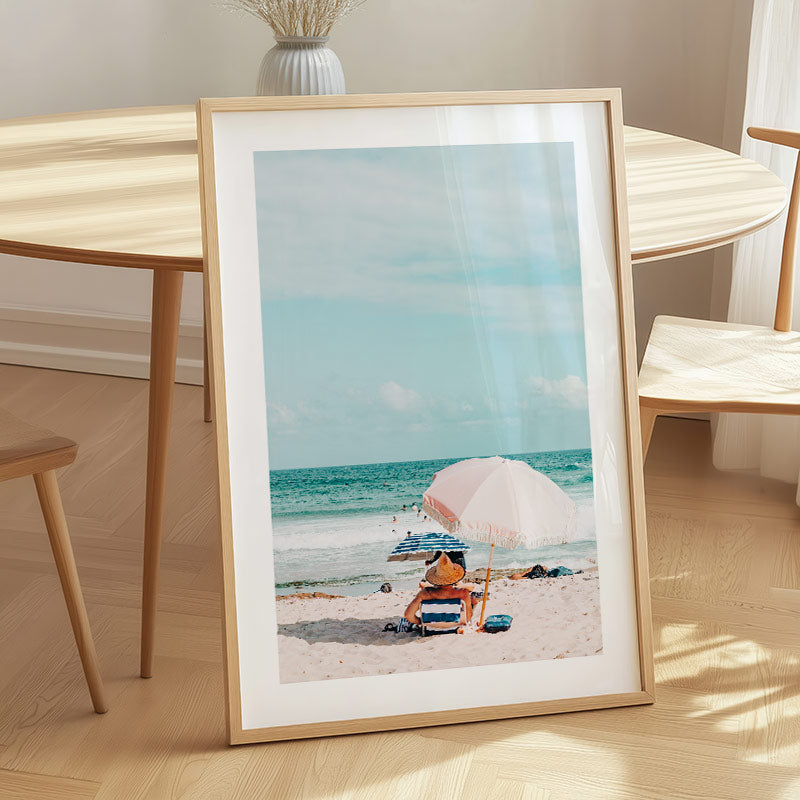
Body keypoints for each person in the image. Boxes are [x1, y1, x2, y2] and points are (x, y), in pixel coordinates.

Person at [403, 554, 478, 625]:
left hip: (431, 629)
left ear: (436, 578)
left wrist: (421, 621)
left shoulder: (425, 594)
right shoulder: (463, 594)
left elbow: (408, 615)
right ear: (454, 578)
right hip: (455, 628)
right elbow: (468, 617)